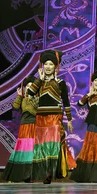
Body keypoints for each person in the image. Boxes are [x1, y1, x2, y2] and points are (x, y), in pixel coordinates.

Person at [27, 50, 73, 184]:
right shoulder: (38, 82)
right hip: (41, 117)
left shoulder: (60, 83)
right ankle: (42, 172)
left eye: (50, 64)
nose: (47, 67)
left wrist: (69, 119)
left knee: (52, 145)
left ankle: (50, 173)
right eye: (45, 64)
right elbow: (29, 92)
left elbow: (66, 102)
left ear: (55, 67)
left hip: (54, 117)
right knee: (41, 146)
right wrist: (39, 80)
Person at [2, 75, 38, 182]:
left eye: (32, 87)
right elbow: (15, 107)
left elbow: (37, 109)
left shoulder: (37, 99)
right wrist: (19, 96)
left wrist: (32, 98)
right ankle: (20, 174)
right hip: (23, 128)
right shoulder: (22, 99)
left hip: (33, 127)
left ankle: (29, 175)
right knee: (23, 150)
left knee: (31, 151)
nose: (29, 88)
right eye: (27, 86)